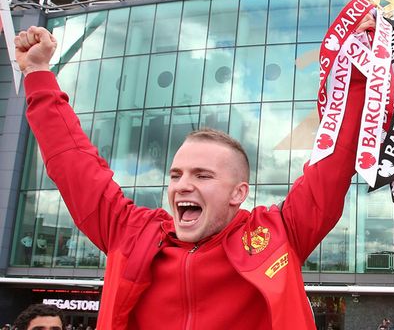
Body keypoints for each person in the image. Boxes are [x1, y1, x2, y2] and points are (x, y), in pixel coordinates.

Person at [15, 17, 371, 328]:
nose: (183, 185)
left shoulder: (280, 233)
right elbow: (74, 163)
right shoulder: (129, 234)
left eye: (202, 175)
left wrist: (359, 71)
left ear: (238, 193)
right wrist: (38, 74)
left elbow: (334, 160)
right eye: (175, 175)